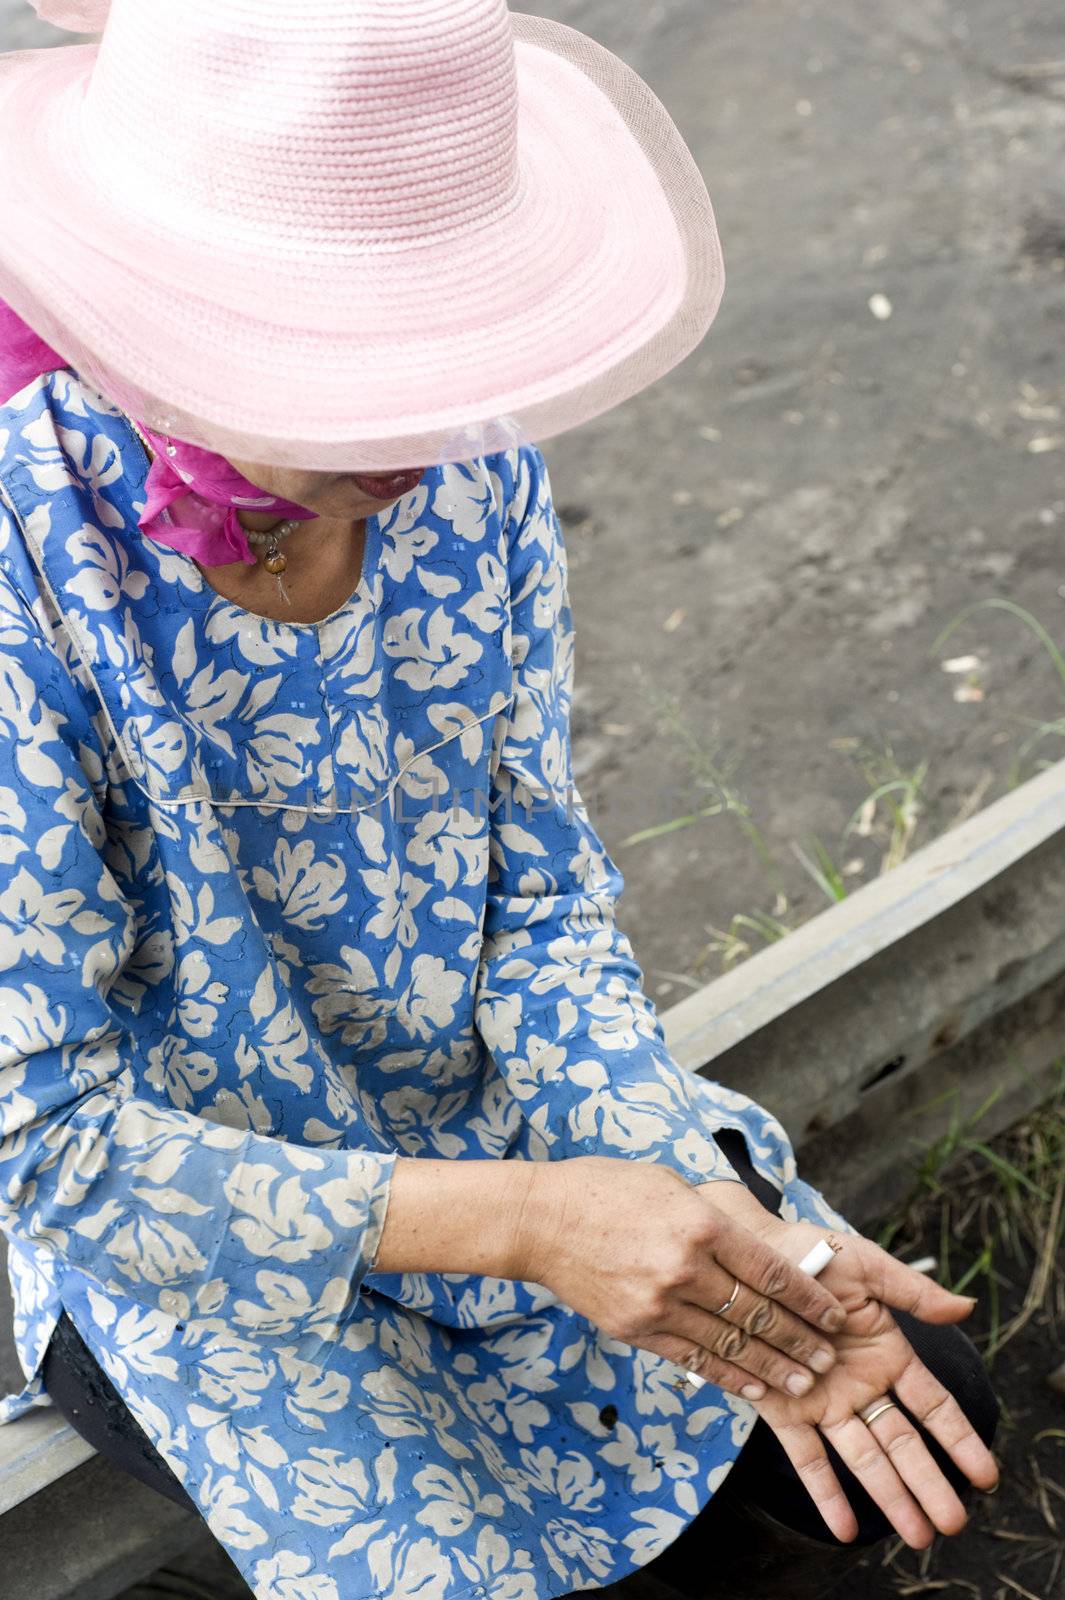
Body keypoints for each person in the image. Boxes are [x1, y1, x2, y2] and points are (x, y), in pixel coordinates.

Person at [0, 5, 998, 1600]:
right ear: (162, 313)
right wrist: (536, 1226)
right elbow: (48, 1145)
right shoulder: (23, 564)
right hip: (210, 1246)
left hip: (506, 1121)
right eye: (356, 358)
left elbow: (532, 904)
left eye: (450, 340)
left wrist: (678, 1195)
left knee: (909, 1427)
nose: (430, 423)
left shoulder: (468, 471)